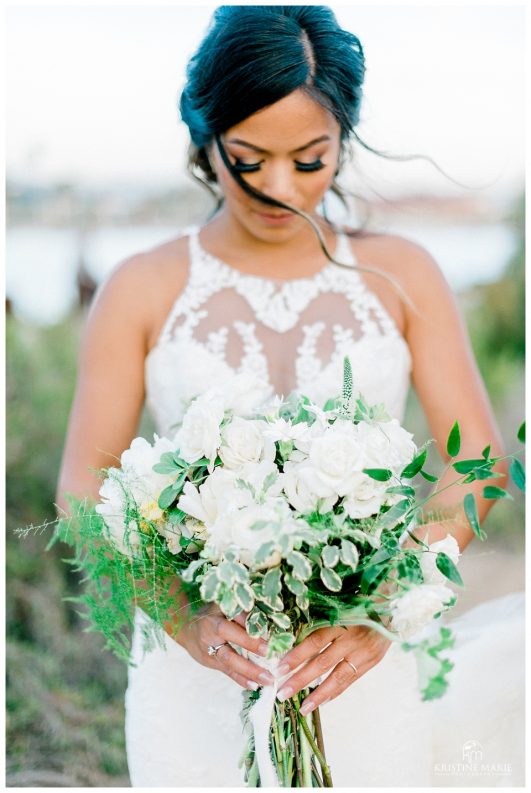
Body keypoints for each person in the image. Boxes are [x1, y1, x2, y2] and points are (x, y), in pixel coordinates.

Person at [56, 6, 524, 787]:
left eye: (310, 159)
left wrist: (385, 606)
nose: (280, 186)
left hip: (361, 666)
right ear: (206, 137)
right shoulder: (140, 287)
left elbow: (478, 463)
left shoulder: (402, 274)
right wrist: (182, 617)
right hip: (194, 678)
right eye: (248, 157)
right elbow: (81, 489)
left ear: (344, 136)